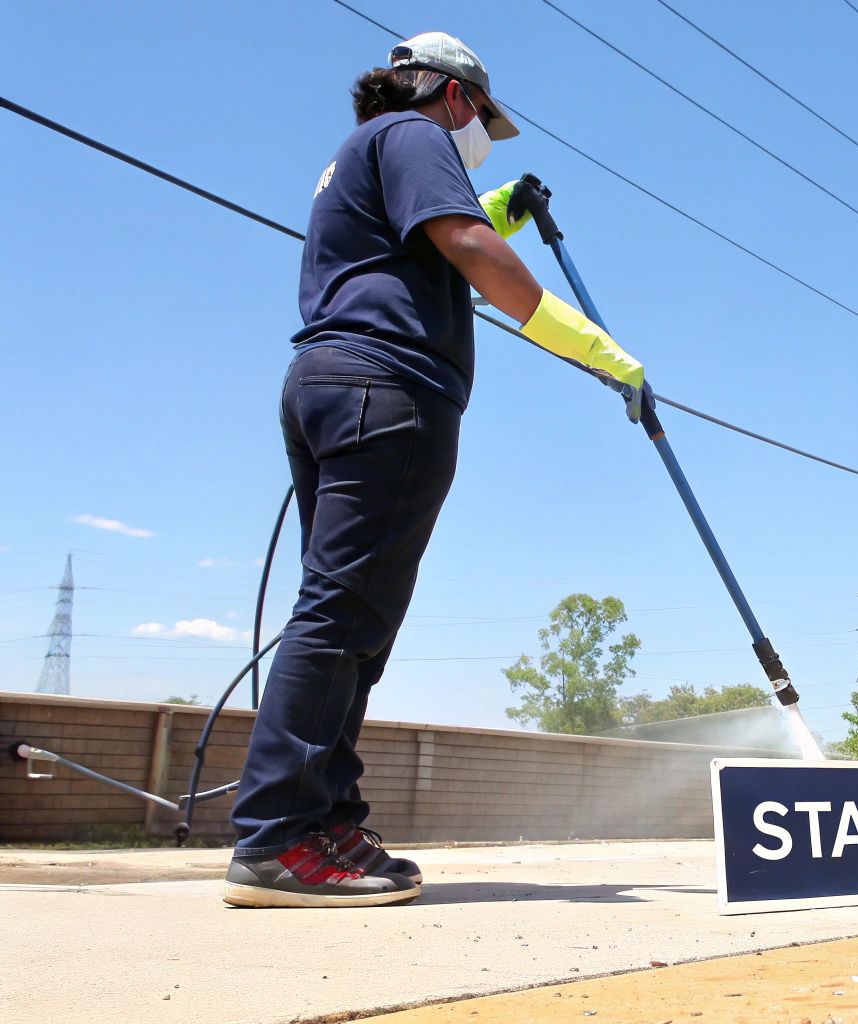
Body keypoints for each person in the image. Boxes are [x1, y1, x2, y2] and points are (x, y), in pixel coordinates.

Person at [224, 32, 646, 908]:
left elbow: (429, 234)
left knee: (353, 619)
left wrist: (505, 205)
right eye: (483, 119)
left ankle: (323, 819)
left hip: (332, 385)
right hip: (391, 391)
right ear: (454, 96)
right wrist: (601, 353)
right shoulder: (414, 135)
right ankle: (277, 839)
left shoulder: (363, 154)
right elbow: (460, 240)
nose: (480, 132)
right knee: (345, 615)